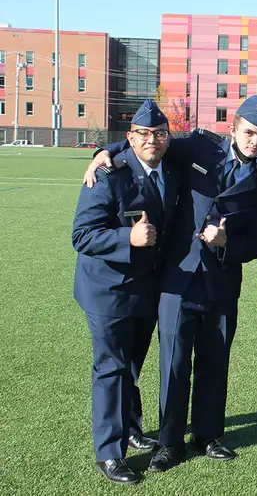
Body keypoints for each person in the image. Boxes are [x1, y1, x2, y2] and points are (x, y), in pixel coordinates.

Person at [85, 95, 257, 472]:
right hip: (178, 278)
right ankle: (169, 442)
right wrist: (105, 150)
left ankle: (207, 435)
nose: (255, 141)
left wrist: (228, 244)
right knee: (173, 363)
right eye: (249, 132)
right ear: (234, 127)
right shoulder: (198, 148)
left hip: (222, 281)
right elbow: (153, 141)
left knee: (215, 360)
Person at [72, 100, 176, 484]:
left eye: (160, 134)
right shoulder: (107, 175)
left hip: (145, 291)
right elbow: (81, 235)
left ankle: (130, 428)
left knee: (130, 367)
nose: (152, 140)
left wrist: (109, 147)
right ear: (130, 138)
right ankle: (109, 452)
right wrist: (126, 237)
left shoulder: (170, 165)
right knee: (111, 369)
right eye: (143, 134)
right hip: (108, 291)